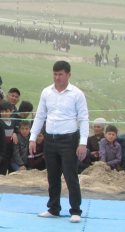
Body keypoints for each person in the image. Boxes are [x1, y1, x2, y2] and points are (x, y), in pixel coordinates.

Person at [29, 61, 89, 223]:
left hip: (69, 139)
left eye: (60, 74)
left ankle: (75, 210)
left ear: (68, 75)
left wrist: (83, 142)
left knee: (70, 176)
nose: (57, 77)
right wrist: (33, 138)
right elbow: (40, 116)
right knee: (52, 176)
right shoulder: (46, 92)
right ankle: (53, 208)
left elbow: (83, 119)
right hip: (50, 138)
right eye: (55, 74)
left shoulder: (77, 94)